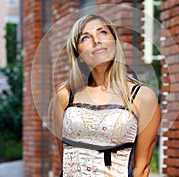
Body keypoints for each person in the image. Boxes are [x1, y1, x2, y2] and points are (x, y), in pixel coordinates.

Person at [54, 14, 161, 177]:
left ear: (115, 42)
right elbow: (65, 163)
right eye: (85, 38)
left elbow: (142, 168)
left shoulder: (143, 97)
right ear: (78, 55)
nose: (96, 41)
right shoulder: (65, 95)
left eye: (102, 32)